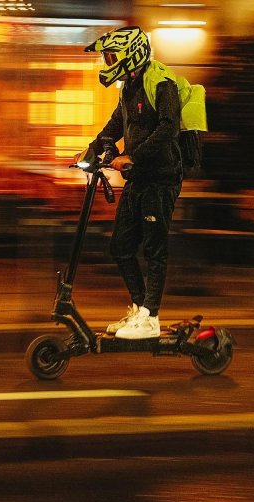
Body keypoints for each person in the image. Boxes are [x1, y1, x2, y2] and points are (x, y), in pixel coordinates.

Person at [84, 26, 184, 340]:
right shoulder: (128, 86)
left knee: (154, 249)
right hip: (137, 179)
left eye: (112, 56)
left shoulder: (162, 83)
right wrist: (92, 149)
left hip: (160, 179)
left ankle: (151, 317)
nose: (108, 62)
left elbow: (168, 128)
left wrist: (133, 157)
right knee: (121, 247)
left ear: (132, 55)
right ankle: (140, 310)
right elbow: (116, 123)